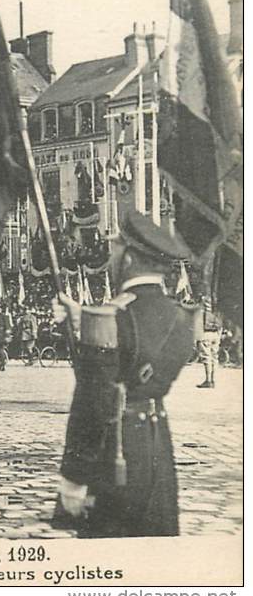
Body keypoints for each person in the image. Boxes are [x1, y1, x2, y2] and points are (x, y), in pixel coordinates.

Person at [52, 210, 195, 538]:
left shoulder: (109, 319)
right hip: (158, 449)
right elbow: (135, 359)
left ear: (129, 258)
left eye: (116, 248)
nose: (112, 255)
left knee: (110, 552)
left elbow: (93, 399)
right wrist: (80, 320)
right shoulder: (182, 318)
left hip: (115, 453)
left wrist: (73, 479)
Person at [196, 296, 221, 389]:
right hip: (216, 334)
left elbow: (198, 324)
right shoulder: (217, 312)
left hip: (205, 333)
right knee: (214, 357)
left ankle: (208, 380)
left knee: (206, 357)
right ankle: (213, 380)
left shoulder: (202, 312)